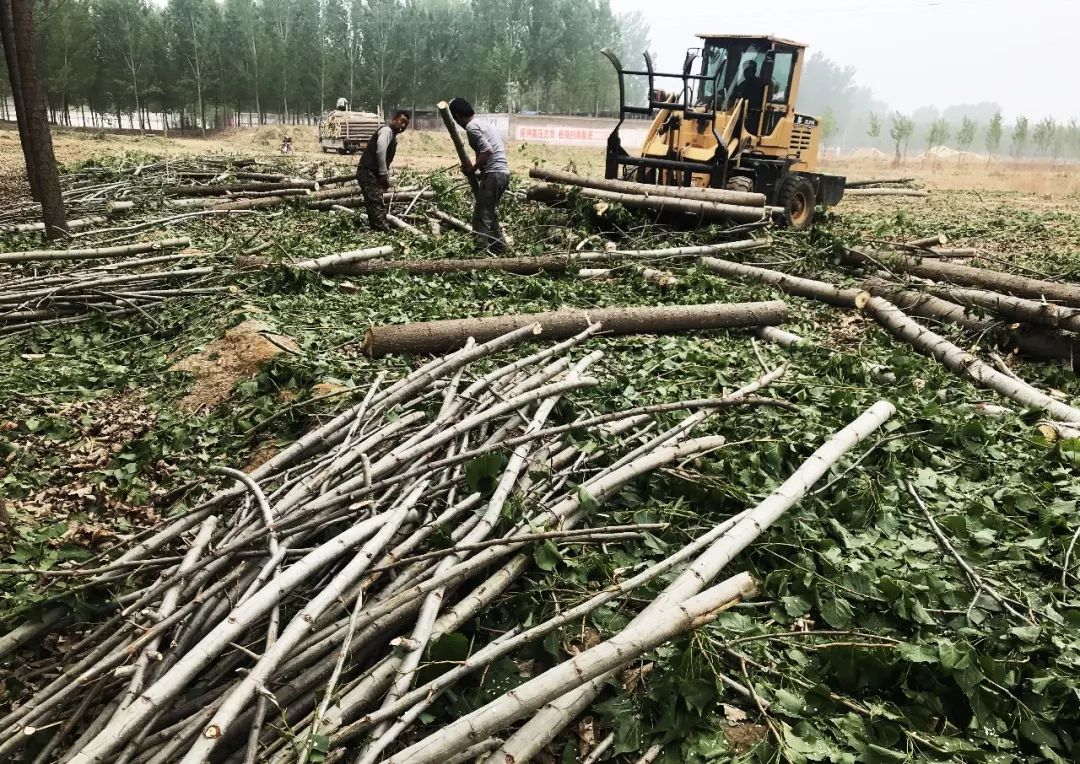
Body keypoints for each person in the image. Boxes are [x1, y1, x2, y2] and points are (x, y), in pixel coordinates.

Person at [448, 98, 510, 254]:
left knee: (481, 215)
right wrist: (479, 170)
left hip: (494, 174)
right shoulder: (482, 124)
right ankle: (500, 248)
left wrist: (472, 168)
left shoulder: (472, 127)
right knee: (488, 212)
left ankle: (479, 252)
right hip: (502, 173)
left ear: (456, 116)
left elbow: (488, 150)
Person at [356, 110, 411, 232]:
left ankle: (376, 230)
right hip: (368, 171)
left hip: (371, 172)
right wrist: (383, 173)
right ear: (394, 119)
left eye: (405, 124)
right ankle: (382, 231)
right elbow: (380, 151)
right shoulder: (387, 131)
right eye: (401, 121)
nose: (402, 126)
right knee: (376, 203)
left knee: (374, 202)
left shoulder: (392, 135)